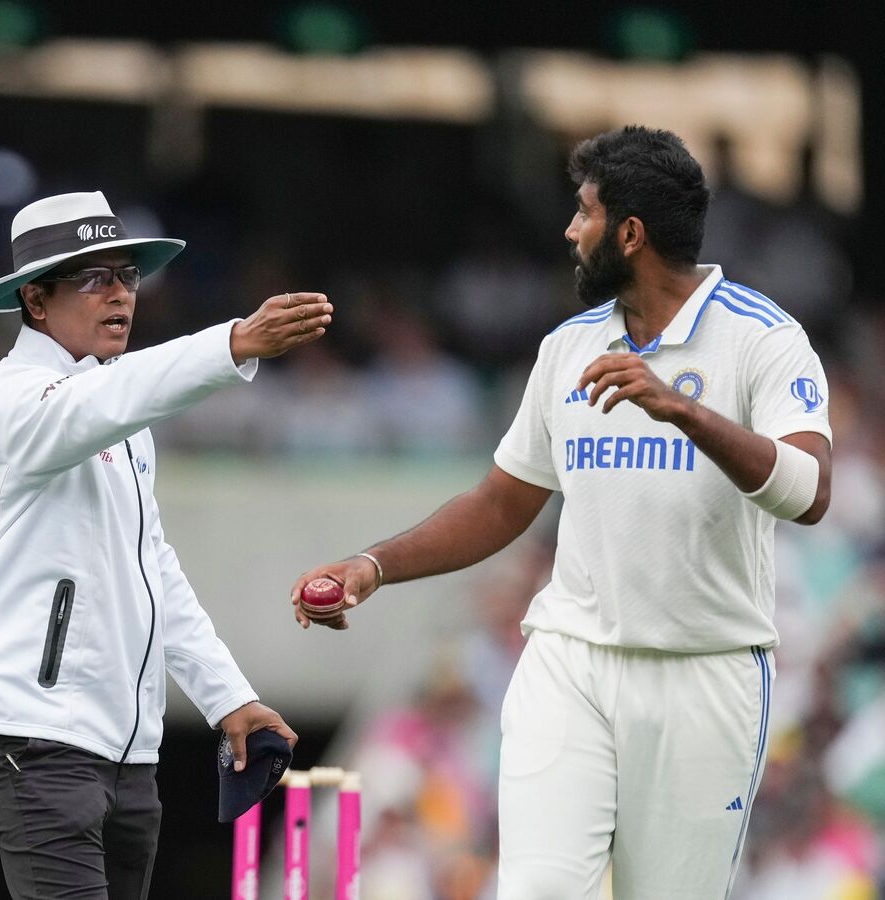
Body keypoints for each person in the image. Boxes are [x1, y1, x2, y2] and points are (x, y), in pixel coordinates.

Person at [290, 125, 833, 899]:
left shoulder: (764, 340)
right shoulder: (567, 350)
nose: (570, 231)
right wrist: (373, 566)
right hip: (569, 664)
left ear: (630, 233)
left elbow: (810, 491)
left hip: (706, 675)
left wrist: (682, 411)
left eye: (584, 213)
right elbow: (501, 502)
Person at [0, 190, 326, 900]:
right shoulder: (7, 394)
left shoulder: (122, 414)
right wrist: (231, 342)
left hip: (124, 755)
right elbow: (97, 406)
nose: (120, 294)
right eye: (93, 278)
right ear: (36, 302)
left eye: (128, 276)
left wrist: (230, 700)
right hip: (34, 740)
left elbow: (155, 571)